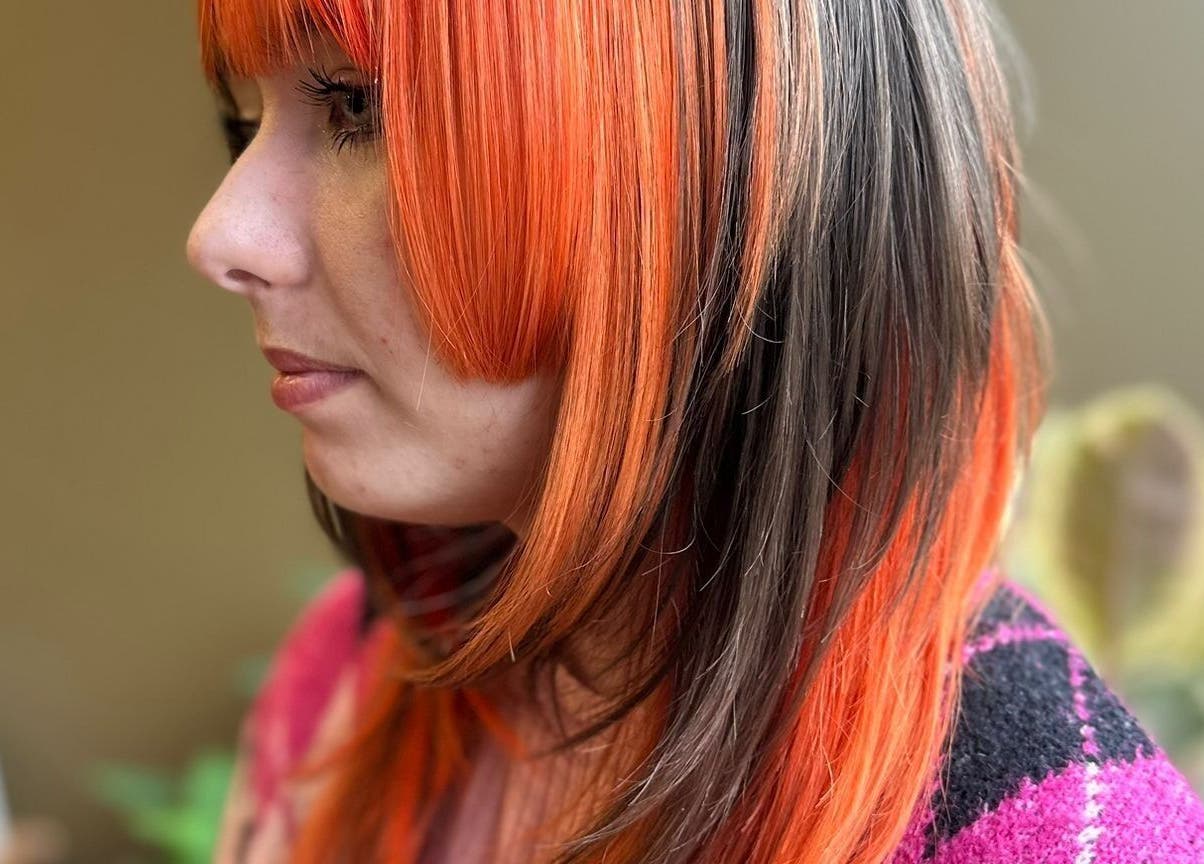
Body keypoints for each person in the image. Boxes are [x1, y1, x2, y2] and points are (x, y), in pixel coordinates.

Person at [184, 1, 1204, 862]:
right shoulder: (351, 667)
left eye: (356, 105)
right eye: (246, 122)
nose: (220, 234)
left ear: (721, 178)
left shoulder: (1063, 831)